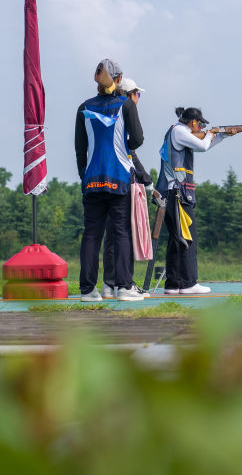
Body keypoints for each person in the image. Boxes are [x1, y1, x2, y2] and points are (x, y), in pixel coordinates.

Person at [74, 60, 148, 302]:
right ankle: (124, 287)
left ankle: (87, 290)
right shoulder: (126, 104)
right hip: (119, 176)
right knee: (121, 233)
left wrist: (84, 176)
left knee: (91, 235)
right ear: (118, 79)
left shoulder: (83, 107)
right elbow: (137, 140)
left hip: (92, 179)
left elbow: (80, 148)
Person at [155, 107, 242, 294]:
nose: (202, 127)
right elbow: (202, 145)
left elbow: (203, 145)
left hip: (172, 193)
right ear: (193, 122)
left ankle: (174, 283)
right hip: (177, 193)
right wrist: (211, 133)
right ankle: (188, 283)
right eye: (201, 124)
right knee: (188, 238)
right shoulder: (179, 131)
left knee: (177, 240)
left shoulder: (178, 132)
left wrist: (224, 135)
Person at [102, 77, 152, 298]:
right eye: (137, 95)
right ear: (130, 95)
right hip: (122, 181)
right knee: (123, 232)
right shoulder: (126, 111)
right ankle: (124, 284)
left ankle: (110, 283)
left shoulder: (109, 111)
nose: (138, 99)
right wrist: (146, 179)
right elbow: (131, 152)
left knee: (112, 233)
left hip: (102, 178)